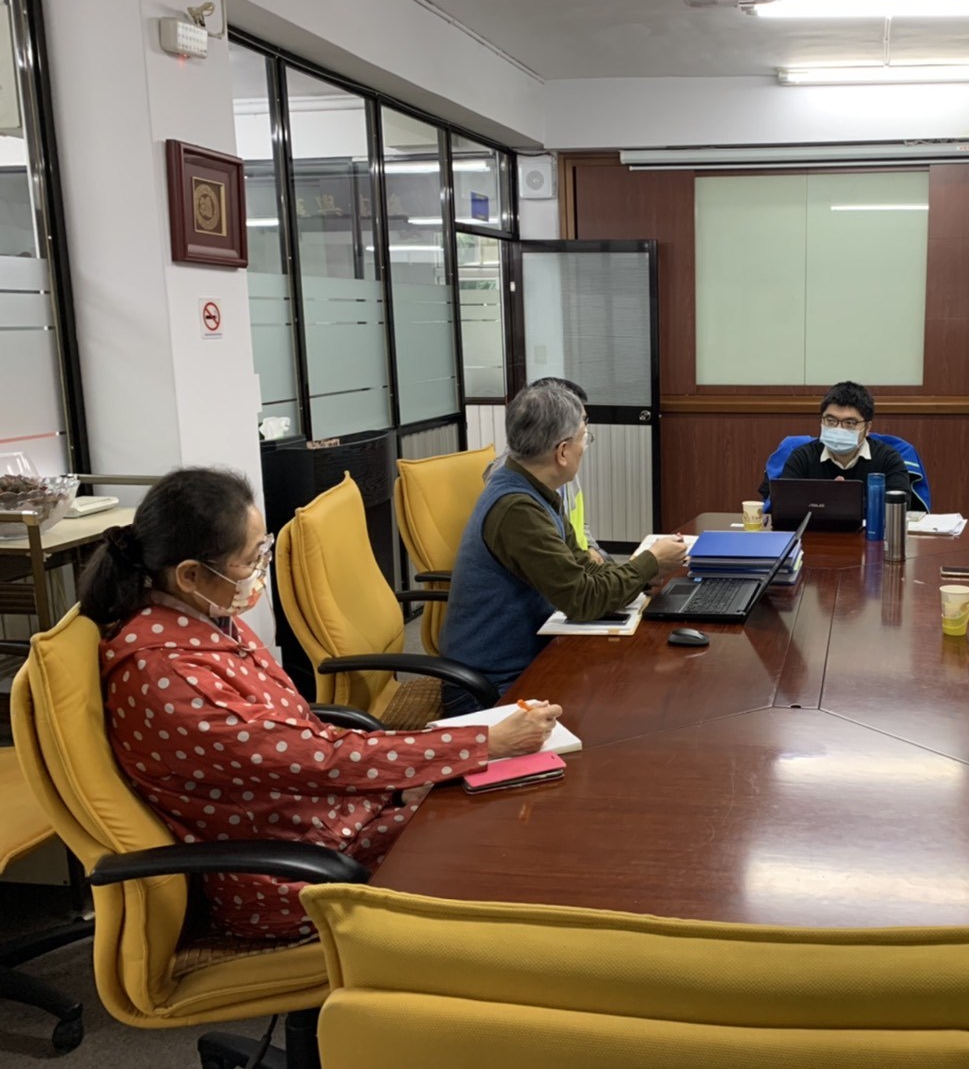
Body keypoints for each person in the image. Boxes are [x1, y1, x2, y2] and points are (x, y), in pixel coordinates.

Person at [77, 468, 561, 941]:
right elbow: (318, 758)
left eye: (263, 550)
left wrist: (408, 781)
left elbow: (301, 740)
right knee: (503, 843)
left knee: (508, 807)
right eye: (251, 559)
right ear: (189, 575)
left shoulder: (205, 621)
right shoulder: (169, 676)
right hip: (295, 875)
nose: (259, 572)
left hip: (330, 822)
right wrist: (483, 744)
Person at [442, 383, 688, 703]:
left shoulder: (534, 489)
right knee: (628, 695)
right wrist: (649, 562)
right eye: (584, 438)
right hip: (492, 686)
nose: (585, 447)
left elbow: (582, 569)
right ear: (561, 452)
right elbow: (581, 598)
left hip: (529, 657)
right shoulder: (518, 509)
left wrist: (642, 575)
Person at [485, 376, 606, 565]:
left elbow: (578, 519)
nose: (584, 431)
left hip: (577, 555)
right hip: (560, 564)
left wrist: (591, 547)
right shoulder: (512, 487)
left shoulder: (558, 464)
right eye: (581, 421)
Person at [758, 380, 918, 505]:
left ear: (867, 427)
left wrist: (846, 500)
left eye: (850, 423)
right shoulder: (802, 457)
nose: (838, 428)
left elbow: (901, 506)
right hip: (814, 536)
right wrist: (829, 499)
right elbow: (784, 505)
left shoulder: (887, 459)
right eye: (831, 420)